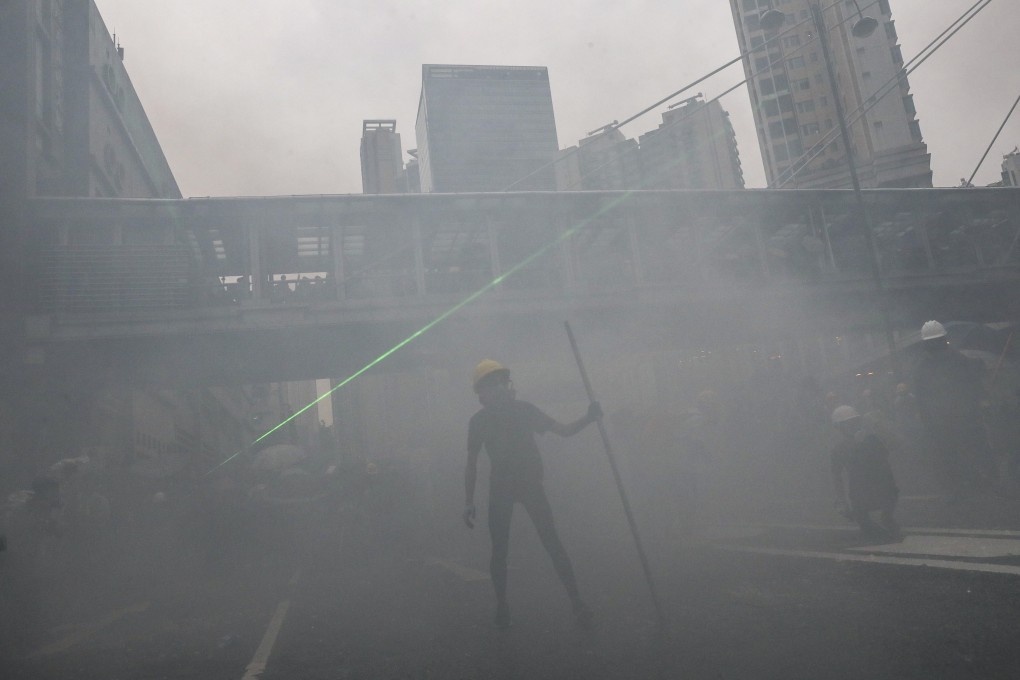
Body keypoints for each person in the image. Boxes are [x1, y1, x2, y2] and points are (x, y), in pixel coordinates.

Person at [463, 359, 601, 629]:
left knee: (552, 542)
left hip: (529, 484)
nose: (500, 388)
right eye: (493, 384)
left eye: (501, 382)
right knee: (500, 551)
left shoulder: (524, 410)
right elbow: (471, 462)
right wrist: (468, 501)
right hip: (501, 488)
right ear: (483, 393)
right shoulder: (479, 422)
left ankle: (576, 601)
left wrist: (589, 418)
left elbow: (564, 431)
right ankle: (502, 606)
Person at [912, 320, 992, 501]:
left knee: (951, 456)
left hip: (948, 422)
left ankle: (960, 486)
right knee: (966, 453)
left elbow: (921, 399)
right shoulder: (955, 359)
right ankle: (972, 484)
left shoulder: (922, 367)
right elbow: (973, 383)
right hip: (958, 419)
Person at [830, 405, 901, 541]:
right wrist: (841, 500)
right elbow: (836, 475)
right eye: (847, 424)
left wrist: (879, 425)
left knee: (891, 496)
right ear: (839, 427)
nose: (852, 426)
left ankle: (887, 518)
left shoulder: (872, 438)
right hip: (859, 489)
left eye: (854, 422)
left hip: (882, 483)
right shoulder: (838, 449)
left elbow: (896, 444)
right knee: (864, 522)